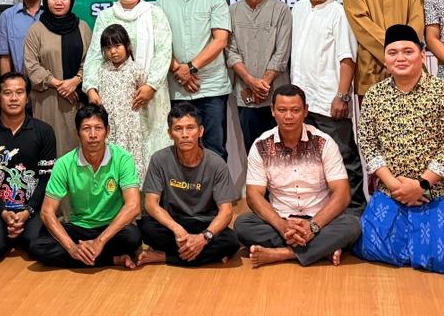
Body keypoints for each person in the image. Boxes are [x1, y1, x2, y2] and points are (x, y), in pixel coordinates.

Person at [354, 24, 444, 273]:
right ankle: (415, 246)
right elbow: (368, 143)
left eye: (408, 51)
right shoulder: (374, 96)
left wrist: (421, 185)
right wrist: (396, 186)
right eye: (393, 53)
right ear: (385, 60)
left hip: (437, 189)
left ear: (422, 55)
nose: (400, 58)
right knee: (370, 247)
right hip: (392, 189)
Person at [235, 84, 361, 268]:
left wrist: (313, 226)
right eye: (282, 110)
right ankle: (322, 249)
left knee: (352, 224)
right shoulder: (261, 145)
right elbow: (254, 195)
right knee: (242, 224)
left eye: (295, 110)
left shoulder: (323, 142)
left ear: (305, 111)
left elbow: (342, 194)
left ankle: (282, 254)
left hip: (320, 219)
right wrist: (282, 226)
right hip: (281, 219)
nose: (288, 116)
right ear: (272, 111)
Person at [83, 0, 173, 172]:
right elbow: (95, 55)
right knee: (118, 155)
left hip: (151, 95)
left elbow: (163, 52)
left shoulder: (155, 14)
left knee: (152, 153)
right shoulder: (106, 16)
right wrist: (91, 88)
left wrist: (150, 86)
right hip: (115, 99)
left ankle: (151, 193)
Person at [289, 0, 363, 209]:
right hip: (302, 103)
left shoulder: (338, 13)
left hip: (329, 102)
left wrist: (342, 96)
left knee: (343, 157)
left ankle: (355, 210)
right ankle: (323, 210)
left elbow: (347, 59)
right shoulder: (298, 9)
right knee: (311, 161)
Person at [30, 105, 143, 269]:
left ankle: (89, 255)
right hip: (79, 228)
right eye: (86, 129)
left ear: (107, 131)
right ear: (77, 133)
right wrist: (71, 247)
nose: (93, 135)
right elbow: (47, 212)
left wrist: (100, 241)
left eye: (98, 128)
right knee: (38, 246)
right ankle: (112, 259)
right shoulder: (64, 163)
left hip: (111, 228)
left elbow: (133, 206)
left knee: (133, 237)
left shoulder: (123, 158)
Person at [139, 103, 241, 267]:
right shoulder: (159, 159)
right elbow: (151, 204)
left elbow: (226, 211)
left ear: (200, 131)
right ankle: (206, 254)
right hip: (173, 222)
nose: (185, 135)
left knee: (231, 241)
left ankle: (165, 256)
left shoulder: (216, 163)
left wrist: (203, 238)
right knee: (145, 226)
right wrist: (177, 229)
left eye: (190, 128)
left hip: (204, 223)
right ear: (170, 133)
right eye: (178, 129)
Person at [0, 73, 57, 262]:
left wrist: (28, 211)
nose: (13, 98)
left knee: (38, 247)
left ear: (27, 97)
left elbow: (46, 179)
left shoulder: (44, 131)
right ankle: (10, 232)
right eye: (7, 93)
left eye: (19, 92)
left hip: (33, 208)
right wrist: (3, 212)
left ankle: (19, 233)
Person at [157, 0, 232, 161]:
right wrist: (178, 70)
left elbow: (220, 40)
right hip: (177, 89)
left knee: (215, 148)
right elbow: (159, 44)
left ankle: (216, 186)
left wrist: (189, 68)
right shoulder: (162, 2)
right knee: (183, 148)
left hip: (211, 88)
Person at [225, 0, 292, 151]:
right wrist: (251, 82)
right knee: (254, 151)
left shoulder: (281, 10)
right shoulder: (231, 13)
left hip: (278, 94)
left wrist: (264, 83)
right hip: (245, 95)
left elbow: (282, 52)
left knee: (284, 150)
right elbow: (231, 52)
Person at [23, 0, 90, 155]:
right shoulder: (36, 30)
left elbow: (91, 61)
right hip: (47, 100)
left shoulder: (83, 27)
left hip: (77, 100)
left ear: (71, 0)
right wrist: (59, 84)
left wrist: (75, 81)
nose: (59, 2)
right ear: (46, 0)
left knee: (78, 148)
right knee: (50, 148)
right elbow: (31, 65)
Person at [86, 24, 153, 179]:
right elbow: (91, 86)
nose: (113, 51)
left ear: (127, 45)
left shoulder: (136, 70)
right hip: (108, 124)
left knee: (129, 161)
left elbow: (144, 95)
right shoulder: (101, 70)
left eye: (117, 46)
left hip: (129, 126)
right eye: (108, 48)